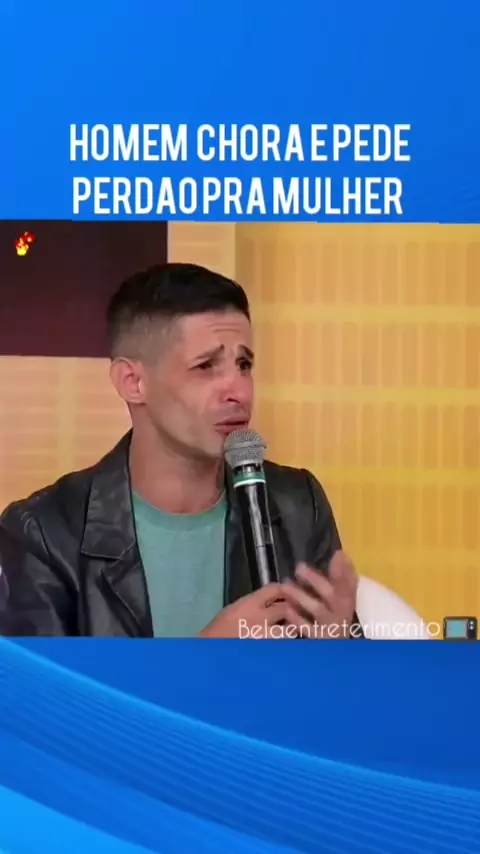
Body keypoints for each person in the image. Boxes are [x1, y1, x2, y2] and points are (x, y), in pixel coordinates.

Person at [0, 262, 361, 638]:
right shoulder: (43, 533)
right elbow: (43, 680)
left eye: (244, 364)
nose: (239, 391)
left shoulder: (298, 504)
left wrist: (340, 652)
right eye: (206, 366)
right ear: (133, 382)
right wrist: (204, 659)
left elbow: (353, 670)